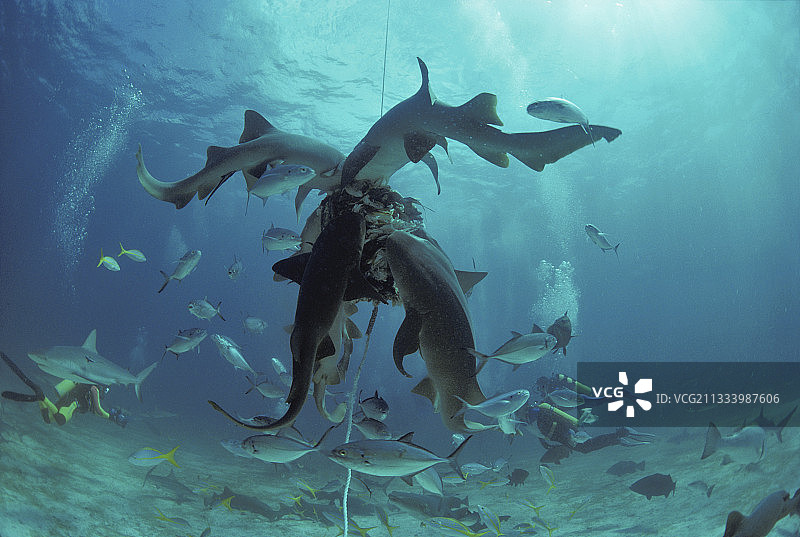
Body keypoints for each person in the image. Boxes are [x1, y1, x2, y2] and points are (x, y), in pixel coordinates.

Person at [1, 351, 128, 427]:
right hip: (73, 403)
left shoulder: (84, 383)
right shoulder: (95, 387)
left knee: (48, 420)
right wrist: (112, 418)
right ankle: (41, 397)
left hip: (66, 397)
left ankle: (40, 396)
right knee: (60, 420)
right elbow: (99, 411)